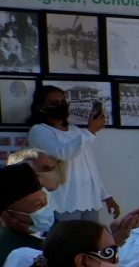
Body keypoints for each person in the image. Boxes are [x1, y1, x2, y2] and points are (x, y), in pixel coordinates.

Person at [26, 84, 119, 223]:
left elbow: (90, 167)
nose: (60, 106)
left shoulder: (76, 131)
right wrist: (90, 131)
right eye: (54, 103)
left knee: (91, 236)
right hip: (64, 201)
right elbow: (62, 153)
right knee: (67, 236)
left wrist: (106, 196)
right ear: (41, 107)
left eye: (63, 102)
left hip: (89, 199)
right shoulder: (39, 131)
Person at [0, 162, 52, 267]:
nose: (45, 209)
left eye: (45, 201)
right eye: (38, 206)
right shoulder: (28, 254)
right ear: (8, 215)